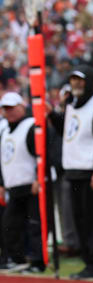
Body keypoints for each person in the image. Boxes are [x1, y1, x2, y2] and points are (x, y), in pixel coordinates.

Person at [48, 65, 93, 279]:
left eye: (80, 79)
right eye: (73, 79)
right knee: (80, 222)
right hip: (73, 172)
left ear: (88, 81)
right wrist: (52, 114)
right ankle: (88, 262)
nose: (76, 83)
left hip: (91, 173)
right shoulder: (72, 105)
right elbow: (68, 132)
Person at [0, 92, 44, 273]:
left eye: (12, 108)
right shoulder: (4, 130)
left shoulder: (31, 126)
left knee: (35, 225)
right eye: (5, 109)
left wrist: (38, 178)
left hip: (31, 184)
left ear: (21, 107)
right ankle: (18, 258)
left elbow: (40, 156)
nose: (9, 112)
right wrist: (2, 184)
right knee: (9, 224)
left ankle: (38, 262)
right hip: (13, 185)